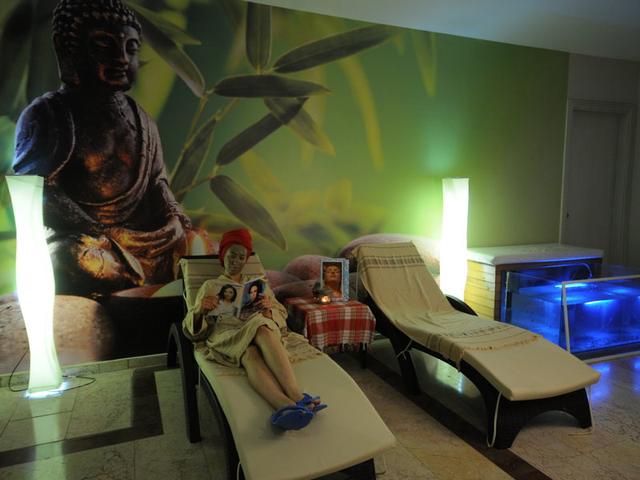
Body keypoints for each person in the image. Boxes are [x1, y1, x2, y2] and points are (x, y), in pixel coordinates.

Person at [11, 0, 192, 297]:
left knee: (194, 244)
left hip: (141, 241)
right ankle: (136, 284)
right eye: (104, 46)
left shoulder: (142, 119)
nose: (121, 58)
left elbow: (157, 182)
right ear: (67, 49)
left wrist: (173, 218)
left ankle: (142, 281)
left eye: (131, 48)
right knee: (68, 260)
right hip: (88, 241)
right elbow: (34, 191)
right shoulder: (48, 114)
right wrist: (102, 231)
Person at [183, 229, 327, 430]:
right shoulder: (210, 286)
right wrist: (200, 310)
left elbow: (280, 315)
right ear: (223, 254)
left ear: (246, 260)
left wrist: (268, 308)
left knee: (258, 334)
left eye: (241, 257)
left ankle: (290, 401)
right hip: (227, 333)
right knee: (253, 343)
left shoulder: (258, 285)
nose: (236, 261)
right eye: (232, 255)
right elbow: (192, 330)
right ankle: (291, 401)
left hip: (259, 327)